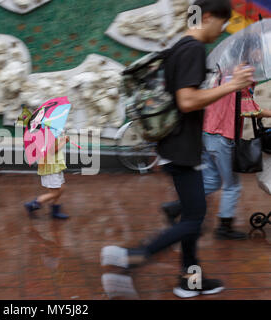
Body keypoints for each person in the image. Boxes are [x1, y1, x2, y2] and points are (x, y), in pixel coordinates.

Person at [101, 0, 255, 298]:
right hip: (182, 147)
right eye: (222, 23)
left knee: (193, 217)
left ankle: (190, 280)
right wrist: (231, 86)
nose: (222, 30)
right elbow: (186, 101)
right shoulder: (193, 49)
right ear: (207, 17)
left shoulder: (180, 46)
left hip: (175, 144)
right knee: (195, 219)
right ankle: (132, 257)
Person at [162, 83, 271, 239]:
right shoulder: (237, 83)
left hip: (207, 135)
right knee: (232, 185)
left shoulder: (220, 79)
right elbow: (250, 110)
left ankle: (176, 207)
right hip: (222, 137)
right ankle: (224, 228)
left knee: (212, 180)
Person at [24, 134, 70, 219]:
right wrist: (63, 142)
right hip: (50, 168)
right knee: (55, 193)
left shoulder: (52, 131)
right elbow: (52, 151)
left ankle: (54, 209)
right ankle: (34, 204)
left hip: (56, 166)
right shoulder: (45, 133)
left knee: (61, 189)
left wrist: (62, 139)